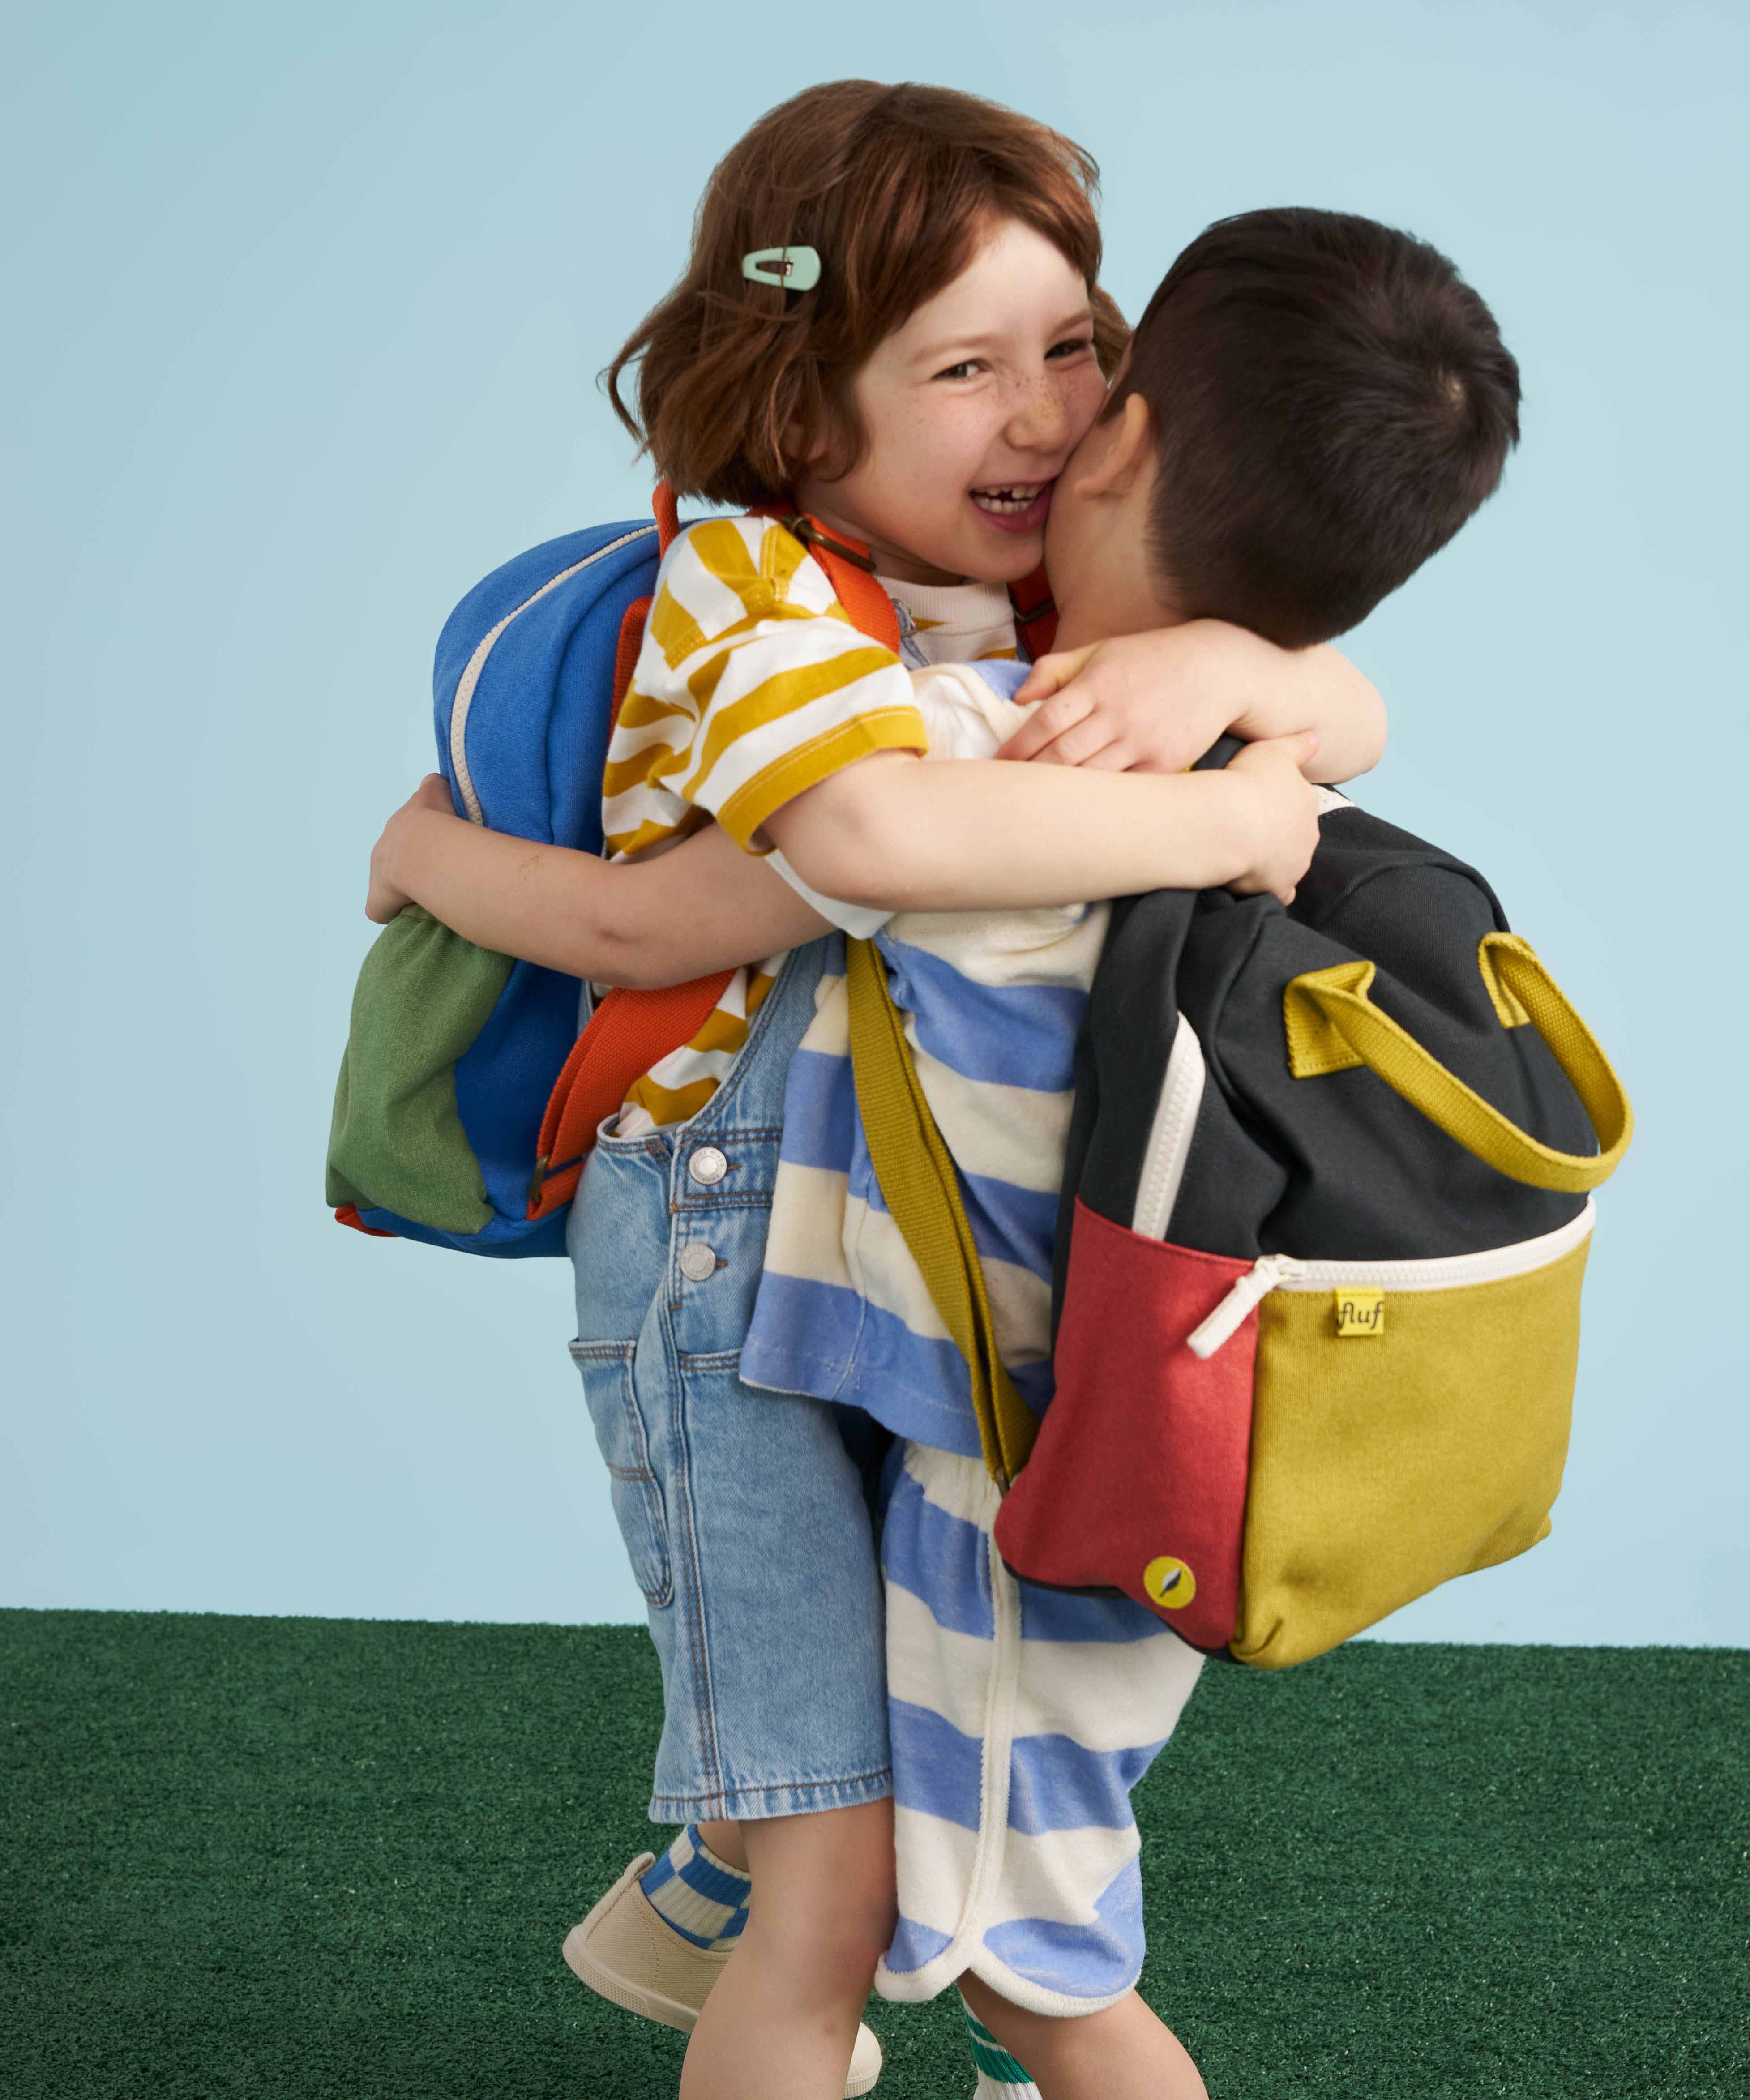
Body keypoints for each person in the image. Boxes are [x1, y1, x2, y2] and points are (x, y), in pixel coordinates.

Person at [364, 85, 1386, 2100]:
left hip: (947, 1257)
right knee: (841, 1853)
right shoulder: (752, 584)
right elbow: (836, 851)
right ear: (801, 404)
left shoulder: (1065, 593)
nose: (1040, 415)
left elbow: (1347, 690)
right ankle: (742, 1886)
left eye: (1076, 349)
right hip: (732, 1252)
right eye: (963, 368)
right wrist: (1224, 813)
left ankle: (712, 1883)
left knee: (948, 1807)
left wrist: (1235, 689)